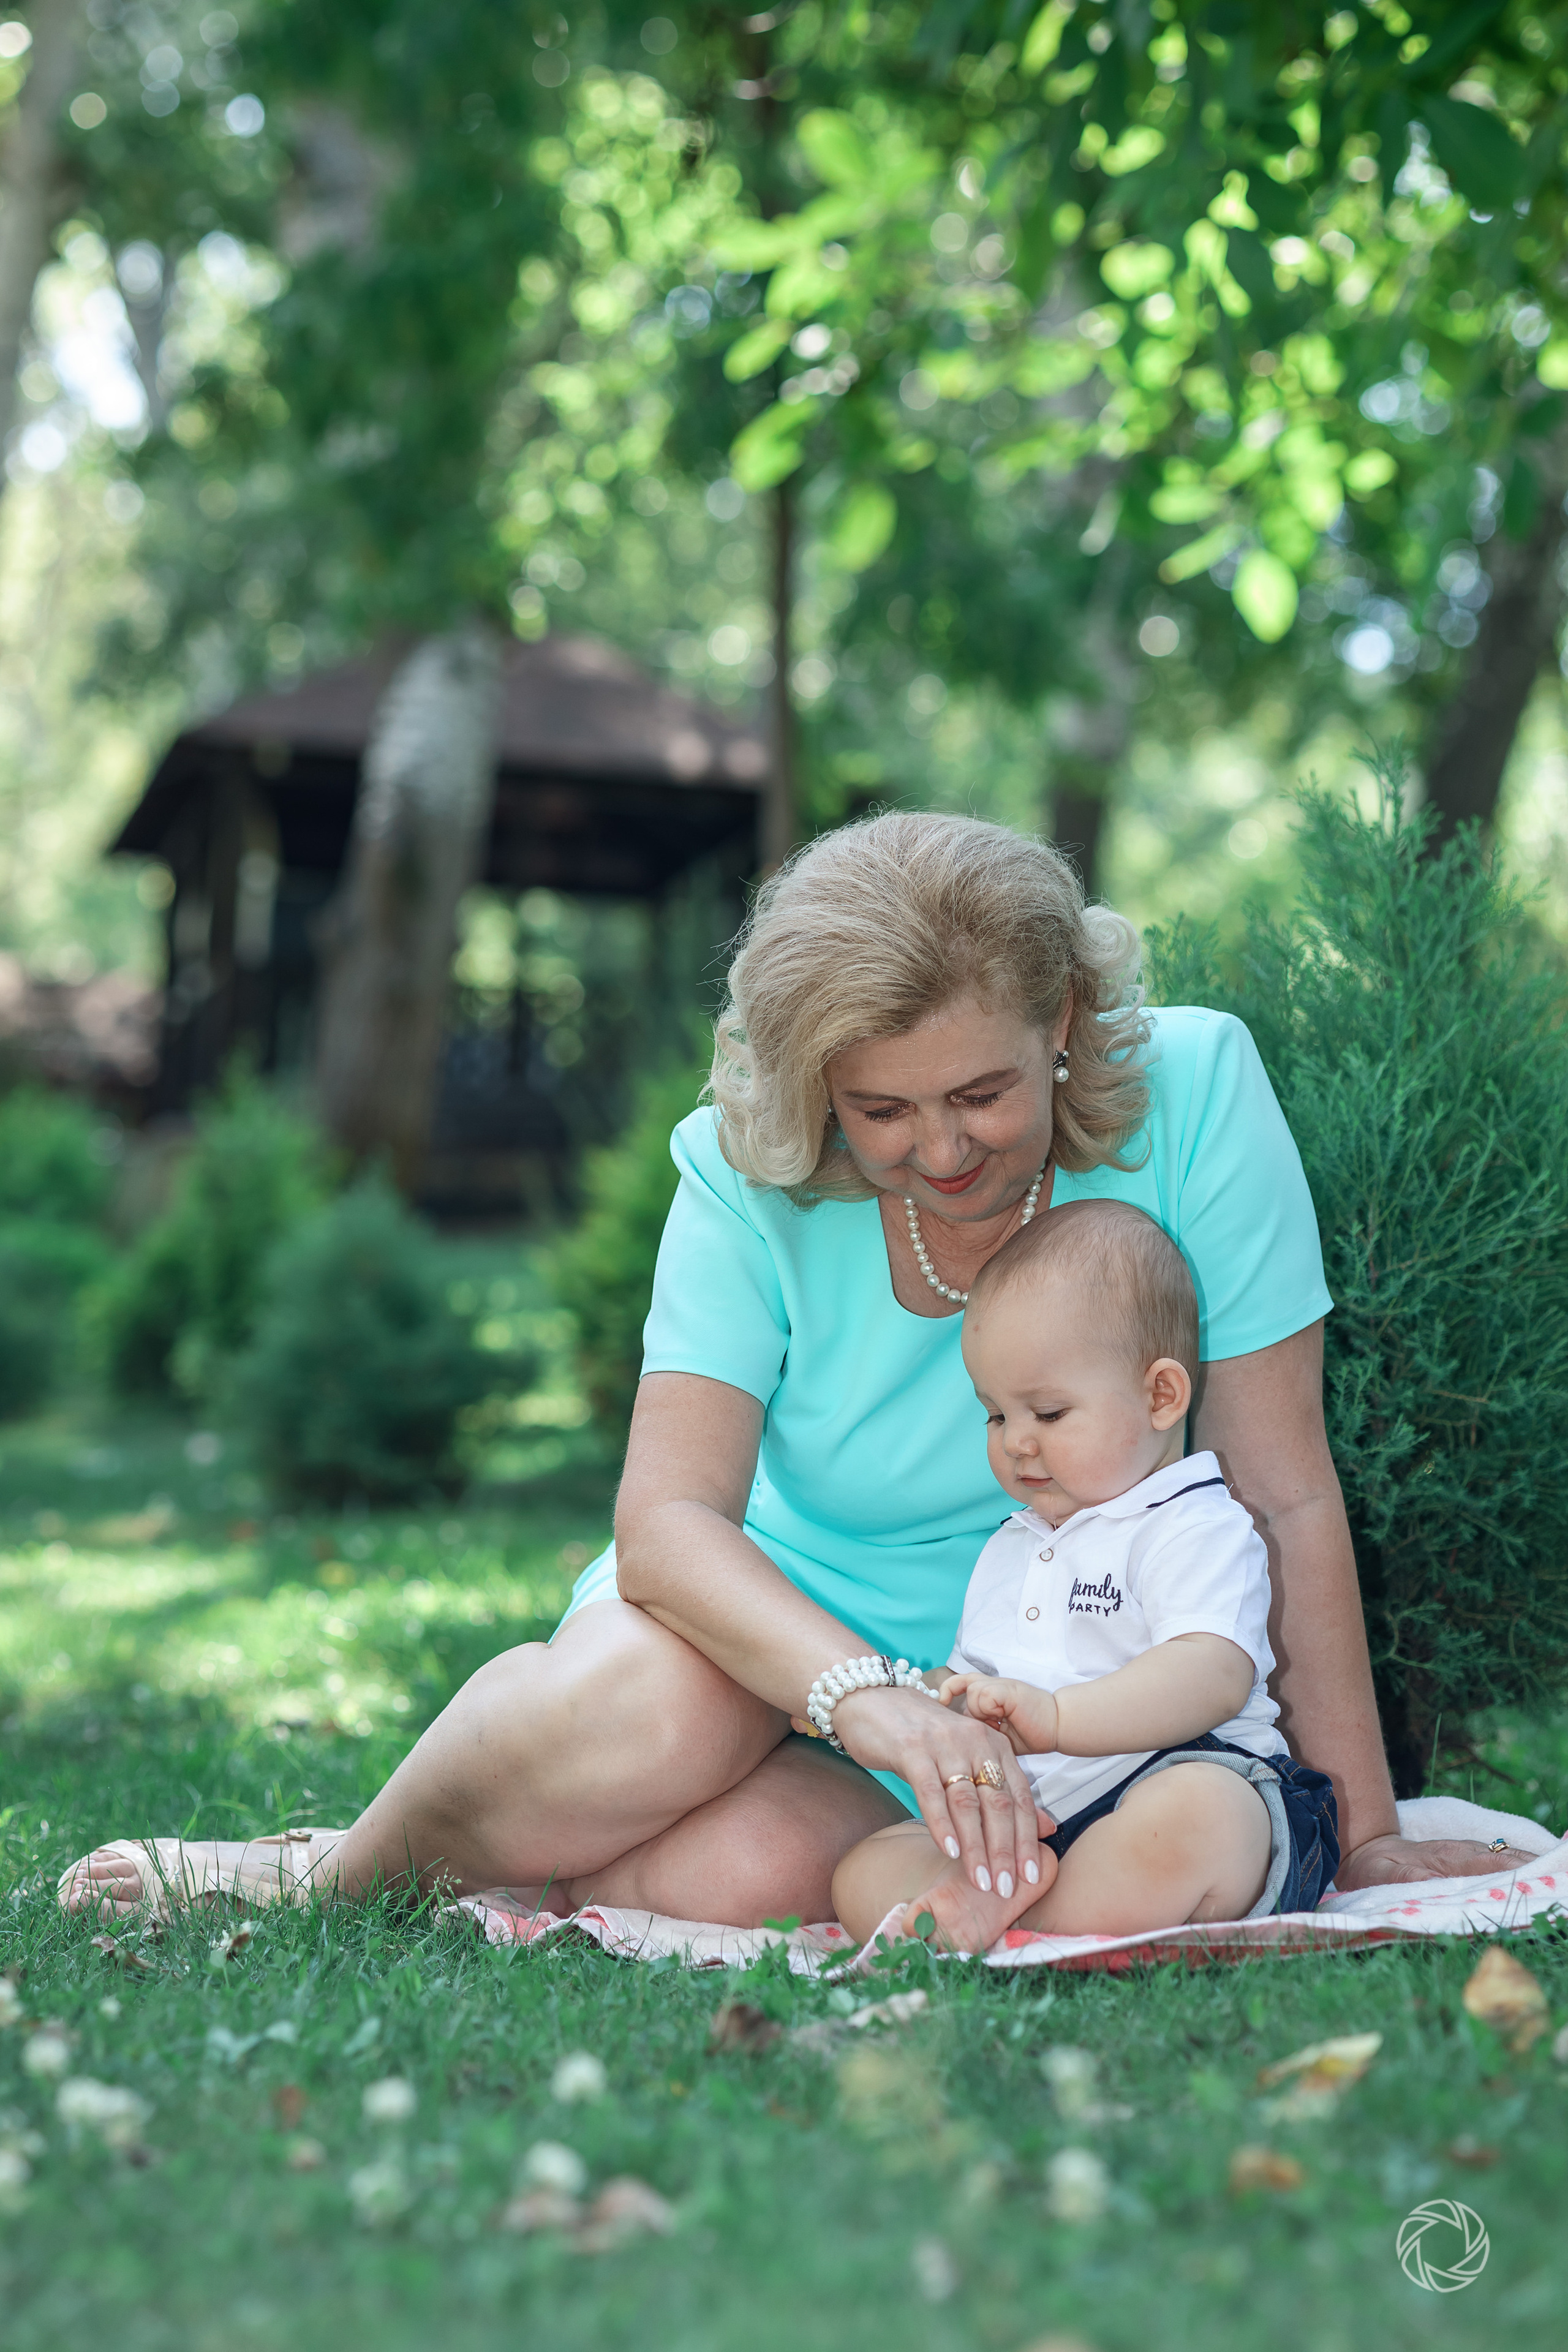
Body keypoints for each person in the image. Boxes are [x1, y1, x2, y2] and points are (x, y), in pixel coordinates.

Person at [60, 813, 1532, 1931]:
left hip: (1068, 1704)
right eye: (880, 1108)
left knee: (747, 1873)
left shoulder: (1198, 1089)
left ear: (1064, 1026)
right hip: (767, 1635)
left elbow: (1279, 1486)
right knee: (656, 1716)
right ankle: (331, 1874)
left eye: (981, 1092)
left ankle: (533, 1846)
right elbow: (667, 1526)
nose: (939, 1149)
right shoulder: (737, 1166)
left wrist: (1363, 1825)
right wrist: (868, 1695)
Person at [829, 1196, 1338, 1952]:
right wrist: (943, 1702)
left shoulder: (1196, 1523)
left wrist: (1061, 1718)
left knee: (1199, 1820)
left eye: (1049, 1413)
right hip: (1047, 1818)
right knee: (861, 1870)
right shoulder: (1014, 1545)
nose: (1017, 1445)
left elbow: (1211, 1673)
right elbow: (978, 1679)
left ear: (1160, 1395)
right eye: (997, 1417)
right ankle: (1026, 1902)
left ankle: (1011, 1912)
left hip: (1192, 1772)